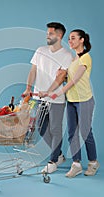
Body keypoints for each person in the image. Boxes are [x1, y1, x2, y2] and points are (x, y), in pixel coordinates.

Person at [43, 29, 99, 178]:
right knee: (72, 133)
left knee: (85, 132)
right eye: (69, 38)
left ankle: (93, 162)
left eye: (73, 38)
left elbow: (75, 81)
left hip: (85, 101)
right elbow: (66, 78)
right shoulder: (73, 60)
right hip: (72, 101)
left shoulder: (85, 58)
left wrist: (57, 93)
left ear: (82, 40)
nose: (70, 41)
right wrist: (55, 81)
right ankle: (76, 164)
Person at [23, 22, 73, 173]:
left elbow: (61, 78)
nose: (47, 35)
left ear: (59, 35)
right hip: (41, 98)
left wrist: (48, 91)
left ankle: (52, 161)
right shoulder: (40, 51)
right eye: (47, 33)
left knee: (55, 128)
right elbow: (33, 71)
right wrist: (28, 88)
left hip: (56, 98)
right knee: (41, 127)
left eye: (50, 33)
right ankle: (58, 155)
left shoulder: (66, 55)